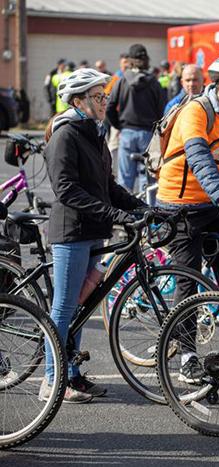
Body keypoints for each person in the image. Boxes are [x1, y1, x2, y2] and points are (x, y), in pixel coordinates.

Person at [39, 68, 145, 403]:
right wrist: (114, 214)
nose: (104, 102)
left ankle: (72, 374)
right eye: (98, 97)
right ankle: (51, 381)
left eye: (104, 96)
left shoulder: (94, 134)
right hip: (71, 232)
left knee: (81, 308)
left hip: (93, 230)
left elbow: (108, 187)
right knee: (64, 307)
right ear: (79, 100)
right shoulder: (65, 136)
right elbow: (67, 190)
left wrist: (141, 207)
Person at [156, 54, 219, 383]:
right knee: (189, 280)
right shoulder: (196, 111)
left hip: (213, 205)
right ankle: (186, 356)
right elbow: (198, 156)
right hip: (179, 204)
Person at [106, 43, 166, 193]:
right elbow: (162, 110)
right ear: (146, 60)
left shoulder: (121, 81)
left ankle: (125, 213)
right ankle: (148, 211)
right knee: (148, 178)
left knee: (125, 178)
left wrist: (119, 125)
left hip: (127, 132)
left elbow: (109, 107)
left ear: (130, 60)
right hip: (148, 134)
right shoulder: (154, 83)